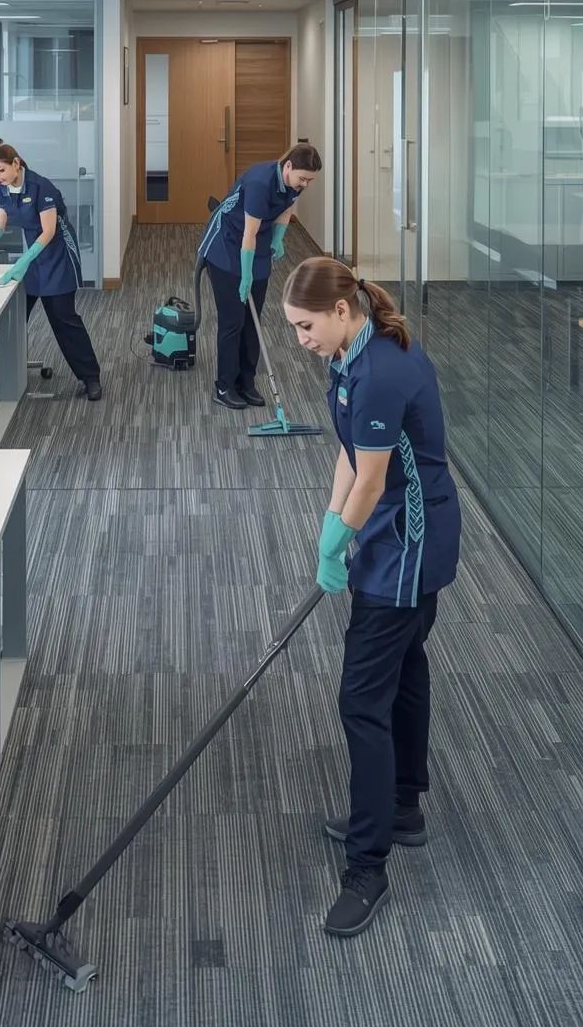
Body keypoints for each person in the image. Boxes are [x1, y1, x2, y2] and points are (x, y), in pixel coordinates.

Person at [282, 257, 462, 939]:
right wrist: (332, 530)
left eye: (305, 326)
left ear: (340, 311)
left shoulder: (382, 372)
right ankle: (402, 807)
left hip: (409, 547)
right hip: (392, 537)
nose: (301, 339)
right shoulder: (354, 357)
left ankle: (368, 865)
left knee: (362, 699)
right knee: (406, 669)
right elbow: (349, 458)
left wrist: (339, 542)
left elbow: (372, 480)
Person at [197, 143, 322, 411]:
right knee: (233, 321)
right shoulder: (259, 183)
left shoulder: (293, 184)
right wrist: (244, 276)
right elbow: (248, 234)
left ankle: (247, 381)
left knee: (253, 320)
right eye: (303, 178)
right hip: (228, 245)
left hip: (257, 245)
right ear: (287, 166)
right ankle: (224, 386)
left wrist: (278, 238)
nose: (305, 185)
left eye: (310, 180)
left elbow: (286, 208)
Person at [0, 138, 103, 402]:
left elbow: (48, 232)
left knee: (63, 318)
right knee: (11, 315)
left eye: (0, 170)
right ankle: (0, 376)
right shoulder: (0, 187)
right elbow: (0, 220)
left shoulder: (40, 187)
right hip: (31, 255)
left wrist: (23, 261)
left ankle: (90, 377)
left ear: (16, 164)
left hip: (57, 255)